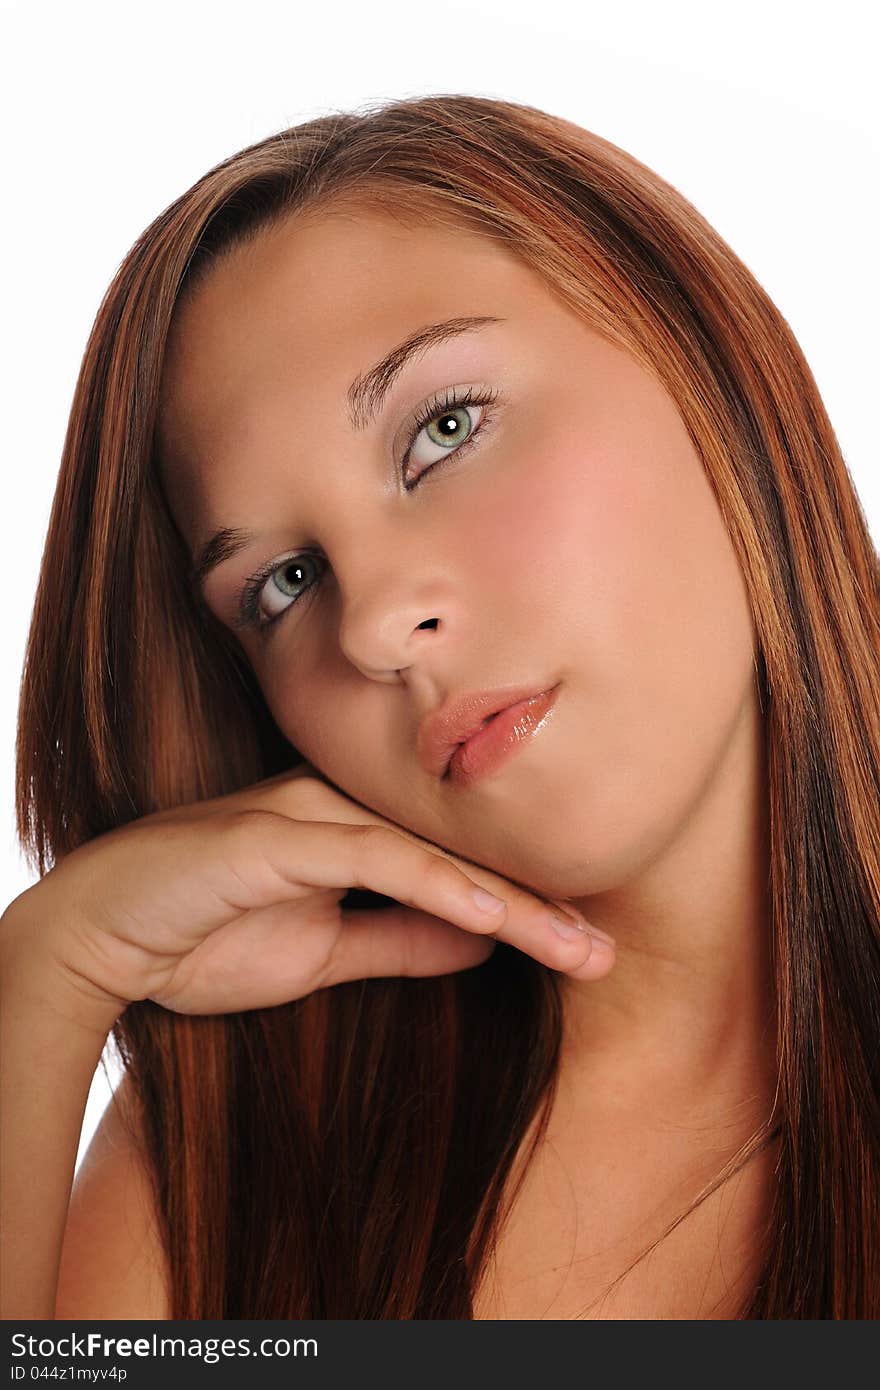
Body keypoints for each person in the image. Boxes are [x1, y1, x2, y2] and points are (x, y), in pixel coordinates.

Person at [1, 93, 878, 1323]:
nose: (365, 628)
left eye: (444, 430)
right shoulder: (247, 1160)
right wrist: (42, 982)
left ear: (700, 358)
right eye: (282, 584)